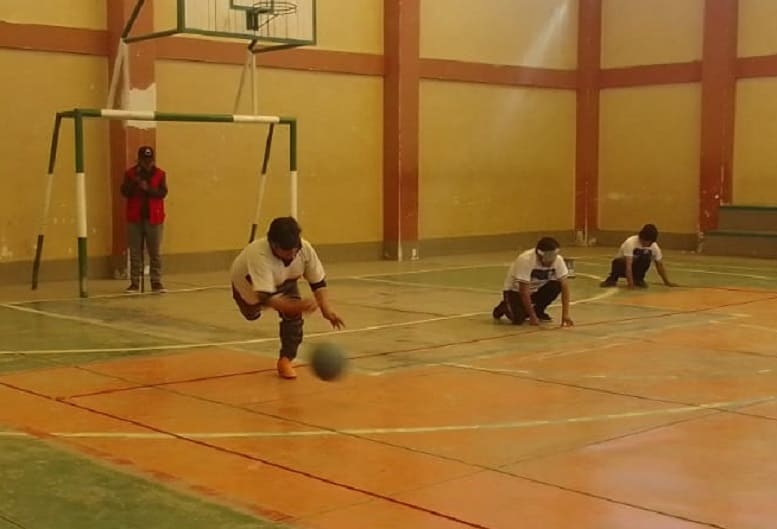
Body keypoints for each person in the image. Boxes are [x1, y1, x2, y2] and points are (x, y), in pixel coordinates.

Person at [230, 216, 345, 379]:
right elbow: (268, 299)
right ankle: (252, 311)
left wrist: (326, 309)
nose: (292, 254)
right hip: (250, 291)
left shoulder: (304, 248)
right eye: (287, 250)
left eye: (295, 248)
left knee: (294, 318)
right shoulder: (258, 255)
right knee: (252, 315)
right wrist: (299, 307)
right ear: (274, 246)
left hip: (287, 281)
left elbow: (318, 281)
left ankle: (286, 360)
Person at [492, 237, 574, 327]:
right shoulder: (525, 260)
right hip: (515, 291)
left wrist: (565, 315)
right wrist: (532, 316)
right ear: (539, 254)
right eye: (548, 256)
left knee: (556, 285)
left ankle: (539, 310)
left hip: (536, 290)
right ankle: (503, 307)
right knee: (518, 319)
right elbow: (523, 291)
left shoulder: (558, 260)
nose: (551, 260)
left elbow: (565, 286)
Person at [120, 146, 168, 293]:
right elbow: (124, 192)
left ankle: (156, 282)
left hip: (154, 217)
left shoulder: (160, 174)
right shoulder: (130, 174)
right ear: (139, 160)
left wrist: (148, 189)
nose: (147, 163)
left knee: (155, 252)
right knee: (135, 251)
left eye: (150, 160)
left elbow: (162, 193)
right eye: (144, 160)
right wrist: (136, 183)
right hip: (135, 217)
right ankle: (134, 282)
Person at [599, 223, 678, 288]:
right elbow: (628, 266)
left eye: (650, 242)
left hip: (636, 269)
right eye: (646, 241)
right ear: (642, 237)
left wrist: (667, 282)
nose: (648, 244)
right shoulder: (630, 242)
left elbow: (659, 265)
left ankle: (638, 279)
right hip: (622, 267)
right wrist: (631, 285)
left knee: (646, 257)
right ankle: (612, 279)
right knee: (620, 261)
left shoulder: (654, 247)